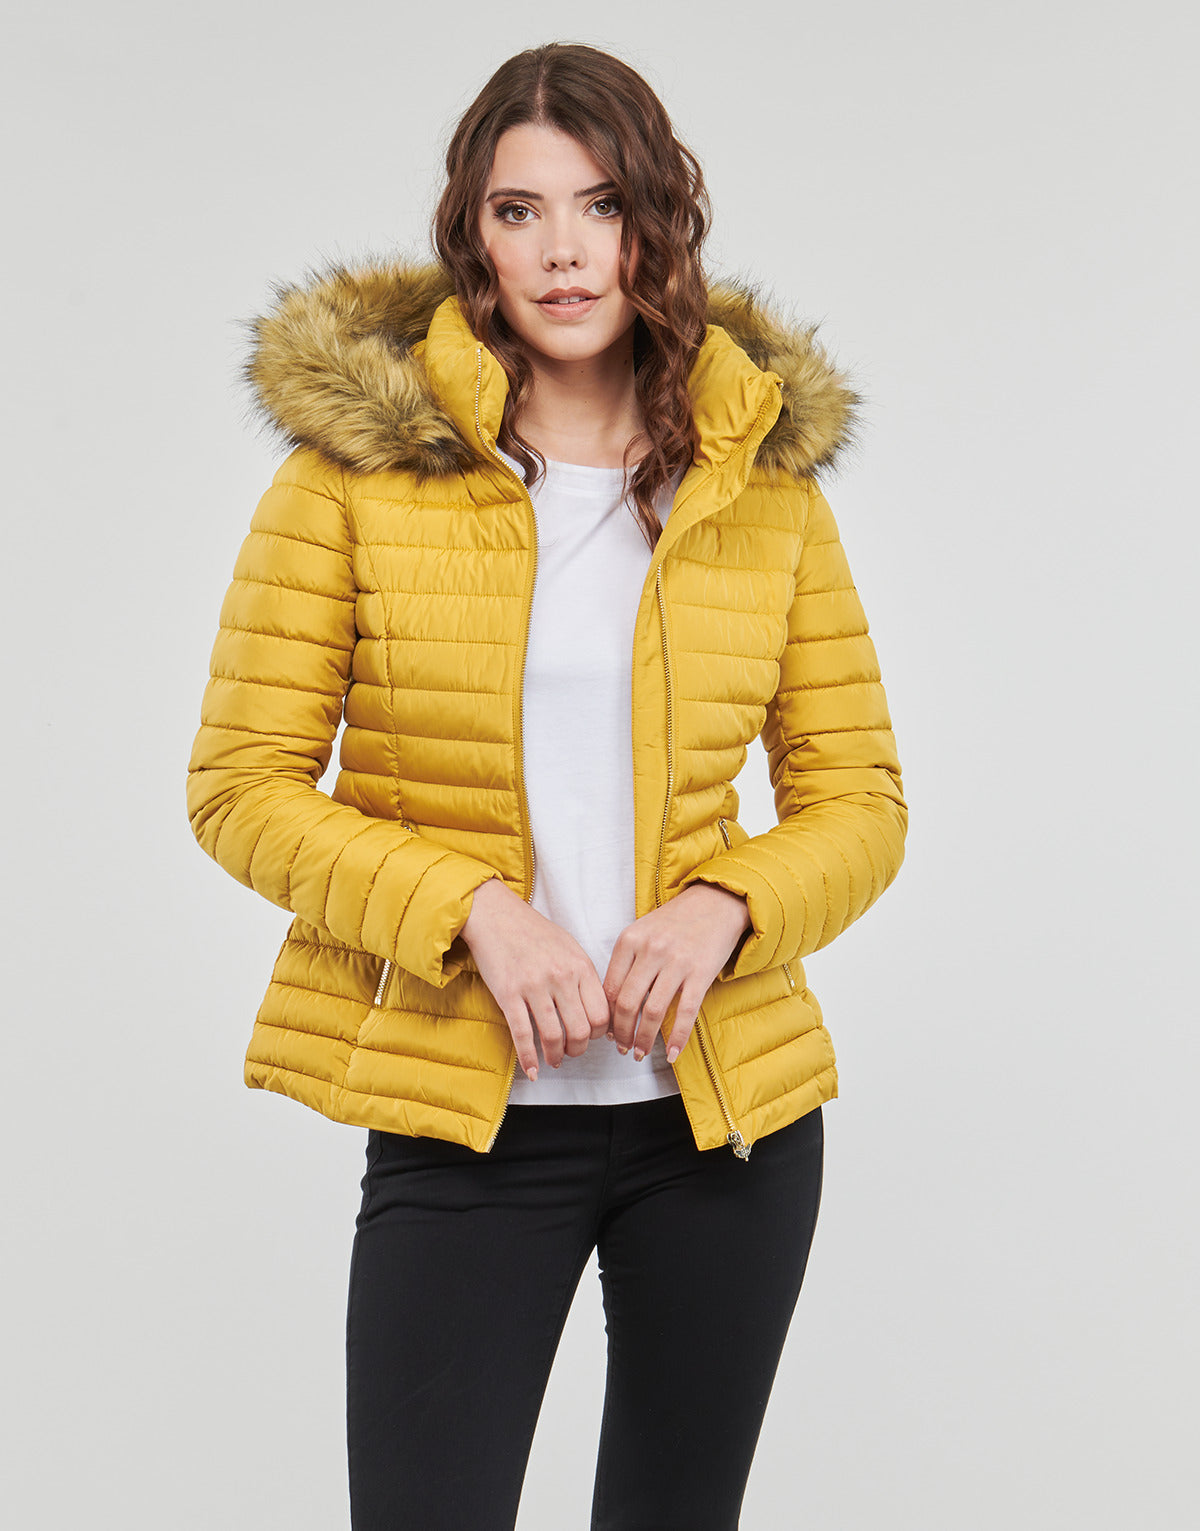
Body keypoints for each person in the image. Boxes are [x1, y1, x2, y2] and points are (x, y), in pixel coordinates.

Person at [187, 40, 907, 1531]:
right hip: (470, 1121)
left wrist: (725, 906)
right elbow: (242, 785)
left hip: (724, 1131)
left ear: (657, 224)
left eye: (601, 205)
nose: (564, 250)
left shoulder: (762, 490)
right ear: (475, 234)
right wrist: (473, 911)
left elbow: (861, 800)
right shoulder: (350, 483)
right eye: (520, 211)